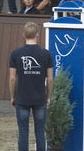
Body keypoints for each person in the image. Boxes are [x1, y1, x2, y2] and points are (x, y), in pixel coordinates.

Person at [8, 22, 53, 151]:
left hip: (22, 98)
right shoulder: (46, 54)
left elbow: (12, 78)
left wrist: (12, 96)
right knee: (40, 132)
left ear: (23, 35)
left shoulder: (16, 53)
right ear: (37, 35)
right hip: (40, 98)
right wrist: (48, 97)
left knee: (23, 132)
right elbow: (50, 79)